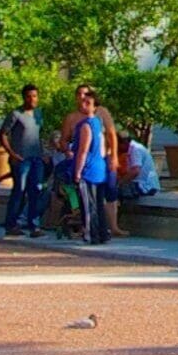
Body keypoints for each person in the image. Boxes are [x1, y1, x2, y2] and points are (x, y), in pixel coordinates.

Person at [60, 88, 118, 245]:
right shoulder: (97, 123)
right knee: (98, 203)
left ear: (94, 107)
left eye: (88, 102)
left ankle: (91, 233)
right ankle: (102, 233)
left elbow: (83, 151)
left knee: (88, 204)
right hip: (99, 168)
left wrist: (78, 171)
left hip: (89, 169)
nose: (84, 104)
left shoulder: (86, 126)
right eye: (83, 101)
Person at [0, 85, 47, 238]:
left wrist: (43, 153)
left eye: (35, 96)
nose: (32, 99)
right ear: (24, 97)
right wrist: (12, 153)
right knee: (19, 191)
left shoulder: (38, 114)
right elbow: (3, 134)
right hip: (21, 159)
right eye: (29, 96)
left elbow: (39, 134)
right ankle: (11, 224)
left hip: (36, 158)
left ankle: (34, 225)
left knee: (36, 191)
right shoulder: (15, 114)